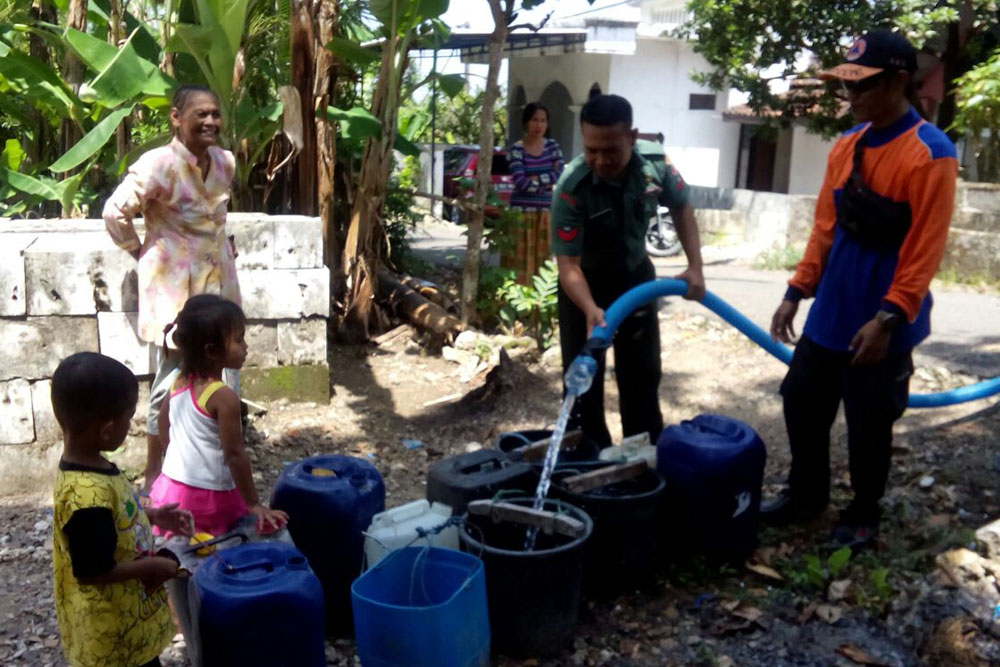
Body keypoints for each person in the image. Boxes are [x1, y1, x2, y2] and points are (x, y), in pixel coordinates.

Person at [763, 30, 958, 549]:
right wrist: (796, 290)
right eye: (847, 87)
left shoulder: (930, 153)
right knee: (801, 401)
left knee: (870, 421)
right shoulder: (846, 147)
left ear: (899, 81)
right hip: (832, 313)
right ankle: (807, 496)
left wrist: (888, 318)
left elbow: (925, 248)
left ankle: (864, 515)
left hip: (882, 321)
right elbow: (825, 228)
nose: (851, 99)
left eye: (863, 87)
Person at [102, 84, 241, 491]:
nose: (211, 121)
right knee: (170, 378)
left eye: (215, 113)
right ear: (177, 118)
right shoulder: (158, 164)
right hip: (174, 289)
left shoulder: (225, 162)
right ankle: (154, 467)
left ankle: (218, 466)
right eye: (201, 114)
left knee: (224, 372)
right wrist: (141, 251)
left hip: (218, 284)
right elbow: (115, 212)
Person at [550, 94, 706, 445]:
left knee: (642, 374)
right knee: (582, 379)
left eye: (611, 150)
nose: (601, 160)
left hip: (636, 279)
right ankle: (588, 456)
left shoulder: (655, 164)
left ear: (632, 137)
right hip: (583, 289)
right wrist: (590, 308)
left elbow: (682, 209)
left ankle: (642, 454)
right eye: (592, 150)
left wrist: (695, 268)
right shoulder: (571, 188)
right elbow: (568, 265)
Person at [51, 352, 193, 667]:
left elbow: (113, 522)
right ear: (106, 430)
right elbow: (93, 570)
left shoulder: (91, 466)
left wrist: (153, 516)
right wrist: (152, 567)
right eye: (129, 417)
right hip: (112, 639)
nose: (131, 425)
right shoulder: (87, 499)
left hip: (126, 623)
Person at [148, 294, 287, 537]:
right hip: (209, 499)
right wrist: (254, 503)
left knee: (189, 549)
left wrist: (176, 456)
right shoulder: (224, 397)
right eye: (239, 340)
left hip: (171, 488)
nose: (246, 347)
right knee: (217, 547)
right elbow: (235, 455)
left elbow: (163, 422)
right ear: (212, 351)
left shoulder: (179, 381)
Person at [504, 102, 565, 285]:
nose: (539, 125)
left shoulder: (552, 146)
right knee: (518, 262)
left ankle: (538, 309)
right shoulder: (516, 149)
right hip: (520, 215)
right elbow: (521, 183)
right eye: (534, 120)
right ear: (525, 123)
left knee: (542, 262)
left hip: (545, 214)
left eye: (543, 121)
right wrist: (546, 178)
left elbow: (560, 174)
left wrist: (534, 179)